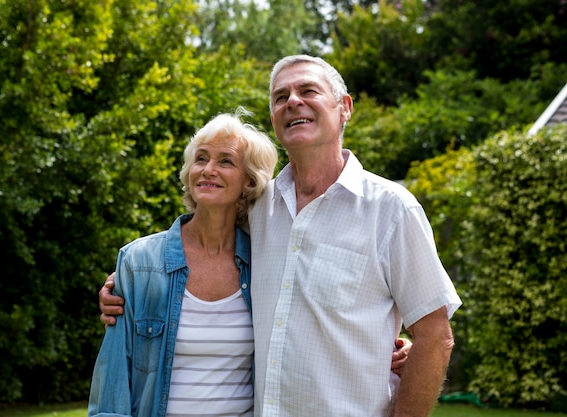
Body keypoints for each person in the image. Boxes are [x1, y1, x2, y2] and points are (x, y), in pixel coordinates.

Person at [99, 55, 461, 417]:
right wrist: (125, 284)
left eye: (308, 90)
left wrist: (404, 355)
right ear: (274, 118)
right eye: (280, 96)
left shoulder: (392, 210)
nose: (293, 102)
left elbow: (435, 335)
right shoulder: (259, 209)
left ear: (345, 107)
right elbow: (195, 251)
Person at [88, 109, 278, 417]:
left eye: (226, 161)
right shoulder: (139, 262)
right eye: (201, 159)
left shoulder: (266, 262)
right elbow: (113, 379)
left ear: (249, 181)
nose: (208, 169)